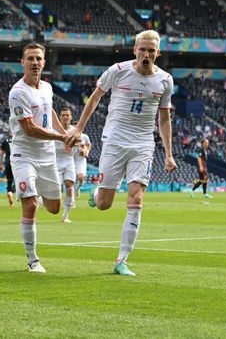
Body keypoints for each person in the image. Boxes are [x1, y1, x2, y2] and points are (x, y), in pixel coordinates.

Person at [65, 30, 177, 277]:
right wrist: (79, 127)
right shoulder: (117, 71)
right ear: (134, 50)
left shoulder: (166, 80)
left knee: (136, 198)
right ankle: (97, 192)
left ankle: (122, 260)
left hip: (143, 144)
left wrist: (169, 153)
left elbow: (165, 117)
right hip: (115, 141)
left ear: (158, 53)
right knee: (105, 204)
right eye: (142, 49)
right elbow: (95, 98)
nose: (146, 54)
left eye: (151, 50)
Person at [9, 42, 70, 273]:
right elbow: (30, 129)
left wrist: (65, 135)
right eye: (30, 58)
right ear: (22, 62)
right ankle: (33, 260)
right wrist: (60, 138)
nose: (35, 63)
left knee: (54, 208)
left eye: (38, 59)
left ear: (44, 62)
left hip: (47, 156)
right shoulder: (18, 92)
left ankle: (39, 197)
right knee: (30, 205)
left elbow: (49, 111)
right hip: (24, 154)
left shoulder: (47, 87)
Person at [55, 108, 77, 223]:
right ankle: (41, 200)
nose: (65, 117)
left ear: (71, 117)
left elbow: (78, 144)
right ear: (59, 117)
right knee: (57, 189)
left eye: (67, 115)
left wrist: (74, 146)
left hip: (69, 160)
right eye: (63, 115)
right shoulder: (54, 129)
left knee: (69, 185)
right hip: (56, 160)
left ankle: (65, 215)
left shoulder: (74, 130)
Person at [73, 130, 91, 199]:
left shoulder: (85, 136)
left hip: (81, 159)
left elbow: (88, 144)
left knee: (81, 177)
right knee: (72, 179)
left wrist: (86, 152)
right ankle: (71, 197)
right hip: (71, 159)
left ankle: (77, 189)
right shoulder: (69, 135)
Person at [0, 136, 15, 207]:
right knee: (20, 181)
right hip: (18, 162)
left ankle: (10, 192)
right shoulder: (19, 138)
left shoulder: (6, 140)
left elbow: (1, 153)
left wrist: (0, 164)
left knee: (9, 181)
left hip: (8, 162)